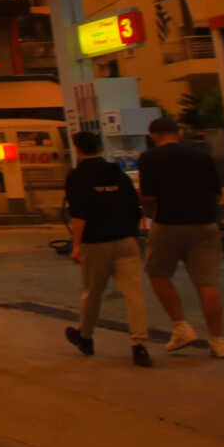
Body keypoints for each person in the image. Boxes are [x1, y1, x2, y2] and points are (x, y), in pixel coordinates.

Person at [137, 114, 224, 359]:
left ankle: (181, 327)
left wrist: (150, 216)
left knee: (157, 273)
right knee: (207, 284)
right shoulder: (202, 156)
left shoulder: (149, 158)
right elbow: (216, 193)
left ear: (152, 136)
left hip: (168, 223)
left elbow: (147, 198)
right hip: (206, 224)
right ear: (177, 133)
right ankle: (219, 342)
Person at [61, 128, 150, 366]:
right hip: (125, 241)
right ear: (99, 147)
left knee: (92, 292)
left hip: (96, 243)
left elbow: (79, 215)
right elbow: (135, 206)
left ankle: (86, 336)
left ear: (77, 150)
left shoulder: (77, 176)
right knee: (133, 294)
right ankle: (139, 345)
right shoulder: (116, 172)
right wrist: (133, 233)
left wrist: (76, 245)